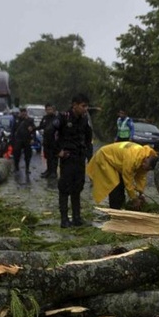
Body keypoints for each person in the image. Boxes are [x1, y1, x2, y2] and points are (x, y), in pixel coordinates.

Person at [46, 93, 93, 228]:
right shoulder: (63, 117)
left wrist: (89, 157)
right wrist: (57, 151)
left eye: (87, 106)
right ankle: (64, 219)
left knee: (77, 187)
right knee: (65, 187)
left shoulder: (84, 119)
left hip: (79, 157)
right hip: (67, 157)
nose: (85, 109)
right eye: (83, 106)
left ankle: (77, 217)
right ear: (74, 105)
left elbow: (89, 138)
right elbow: (49, 133)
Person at [86, 141, 159, 210]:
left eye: (146, 166)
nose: (143, 164)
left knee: (121, 184)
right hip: (105, 157)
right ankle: (114, 211)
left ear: (150, 169)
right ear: (147, 157)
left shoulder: (145, 157)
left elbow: (141, 177)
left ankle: (121, 206)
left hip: (117, 160)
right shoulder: (132, 158)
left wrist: (141, 193)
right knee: (115, 184)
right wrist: (134, 198)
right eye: (145, 162)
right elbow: (128, 180)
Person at [12, 107, 37, 174]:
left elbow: (33, 130)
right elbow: (13, 130)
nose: (23, 113)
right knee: (16, 153)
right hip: (18, 139)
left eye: (24, 112)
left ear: (26, 112)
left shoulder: (30, 120)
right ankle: (16, 167)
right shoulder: (16, 119)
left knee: (28, 155)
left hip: (27, 139)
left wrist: (33, 138)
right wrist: (12, 140)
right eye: (22, 112)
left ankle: (27, 168)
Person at [39, 104, 59, 178]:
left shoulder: (56, 119)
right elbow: (41, 126)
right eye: (47, 109)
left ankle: (54, 172)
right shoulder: (45, 118)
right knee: (47, 156)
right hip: (46, 140)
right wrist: (33, 129)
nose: (49, 111)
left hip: (54, 141)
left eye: (50, 109)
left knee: (54, 157)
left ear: (53, 110)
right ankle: (49, 170)